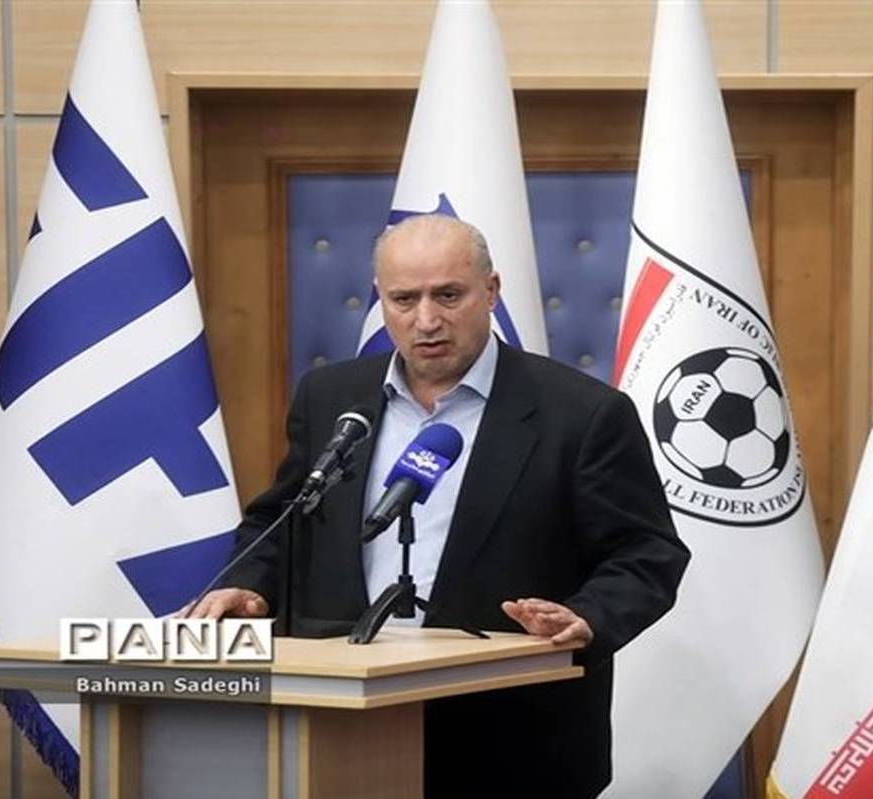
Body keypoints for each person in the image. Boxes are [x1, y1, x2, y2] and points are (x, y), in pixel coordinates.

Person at [185, 214, 689, 797]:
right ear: (381, 300)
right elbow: (285, 517)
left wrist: (588, 617)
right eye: (404, 300)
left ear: (491, 292)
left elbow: (647, 552)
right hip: (341, 728)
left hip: (512, 737)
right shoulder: (332, 397)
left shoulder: (582, 413)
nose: (426, 320)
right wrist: (248, 584)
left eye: (448, 295)